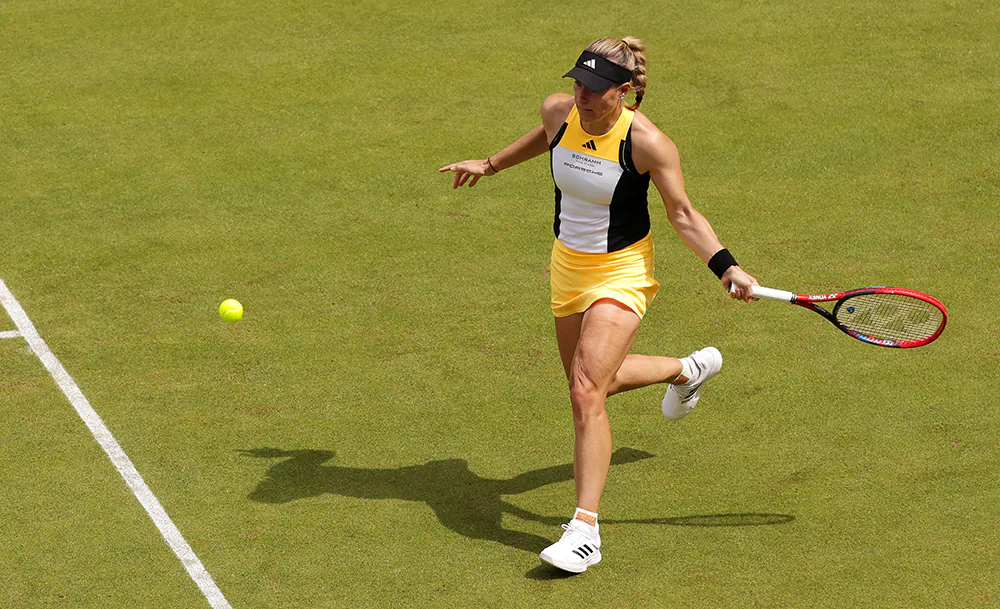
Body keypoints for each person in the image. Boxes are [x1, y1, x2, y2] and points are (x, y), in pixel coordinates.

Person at [439, 36, 759, 574]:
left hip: (622, 270)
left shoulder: (648, 143)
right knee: (591, 382)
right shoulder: (559, 111)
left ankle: (584, 531)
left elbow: (682, 214)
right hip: (567, 267)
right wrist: (491, 164)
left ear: (624, 91)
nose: (581, 96)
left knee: (586, 390)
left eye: (594, 88)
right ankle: (686, 369)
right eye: (577, 83)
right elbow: (547, 137)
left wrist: (727, 266)